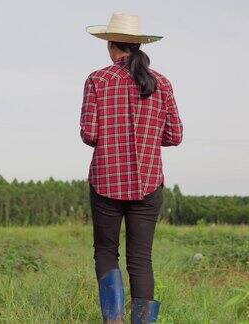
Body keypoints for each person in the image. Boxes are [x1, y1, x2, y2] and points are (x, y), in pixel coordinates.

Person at [80, 13, 183, 324]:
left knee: (106, 252)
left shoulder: (97, 80)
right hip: (148, 183)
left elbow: (90, 133)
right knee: (141, 260)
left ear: (111, 45)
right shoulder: (161, 83)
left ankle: (113, 321)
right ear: (137, 45)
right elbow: (175, 135)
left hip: (106, 183)